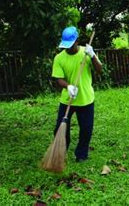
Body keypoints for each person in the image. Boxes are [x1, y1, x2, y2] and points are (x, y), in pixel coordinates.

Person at [51, 26, 103, 162]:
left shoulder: (86, 53)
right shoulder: (59, 58)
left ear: (76, 41)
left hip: (86, 99)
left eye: (70, 45)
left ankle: (81, 154)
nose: (67, 48)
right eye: (65, 46)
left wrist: (93, 56)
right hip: (67, 99)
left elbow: (100, 70)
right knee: (59, 128)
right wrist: (67, 86)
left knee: (86, 130)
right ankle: (61, 152)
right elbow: (58, 79)